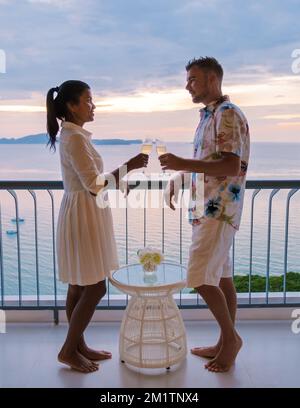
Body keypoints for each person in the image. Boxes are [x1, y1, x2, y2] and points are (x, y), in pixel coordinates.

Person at [46, 80, 148, 373]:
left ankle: (78, 346)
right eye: (88, 100)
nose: (93, 105)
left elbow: (88, 180)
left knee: (78, 285)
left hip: (82, 211)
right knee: (94, 288)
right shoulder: (74, 138)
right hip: (84, 214)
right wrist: (129, 165)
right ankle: (68, 349)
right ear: (71, 105)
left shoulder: (73, 135)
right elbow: (93, 185)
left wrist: (119, 180)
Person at [159, 57, 250, 373]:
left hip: (218, 211)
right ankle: (223, 342)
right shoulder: (209, 116)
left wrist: (182, 164)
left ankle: (231, 339)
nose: (187, 85)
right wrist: (180, 178)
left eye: (193, 79)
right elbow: (208, 162)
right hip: (208, 209)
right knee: (222, 279)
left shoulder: (227, 115)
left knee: (198, 277)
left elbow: (230, 166)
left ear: (212, 80)